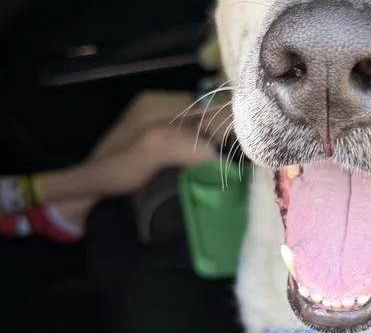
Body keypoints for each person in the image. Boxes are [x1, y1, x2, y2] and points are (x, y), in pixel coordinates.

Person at [0, 91, 220, 242]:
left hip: (246, 150)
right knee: (149, 106)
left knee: (159, 142)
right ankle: (69, 209)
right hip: (238, 107)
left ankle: (34, 193)